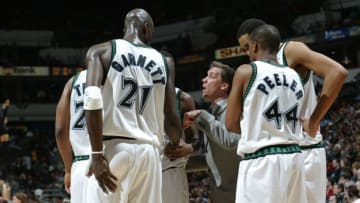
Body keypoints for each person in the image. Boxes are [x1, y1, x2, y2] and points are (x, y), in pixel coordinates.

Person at [236, 18, 348, 203]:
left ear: (259, 39)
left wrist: (314, 120)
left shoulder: (289, 50)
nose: (247, 53)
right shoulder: (256, 69)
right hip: (278, 156)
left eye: (247, 46)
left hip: (304, 150)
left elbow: (337, 72)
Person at [84, 8, 183, 203]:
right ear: (146, 28)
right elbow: (172, 116)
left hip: (114, 147)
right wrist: (174, 142)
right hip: (150, 152)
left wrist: (96, 155)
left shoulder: (101, 51)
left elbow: (93, 97)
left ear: (125, 28)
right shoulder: (164, 61)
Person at [226, 24, 306, 203]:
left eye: (248, 48)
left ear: (254, 46)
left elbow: (230, 123)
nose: (248, 53)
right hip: (295, 156)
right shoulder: (294, 75)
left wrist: (259, 128)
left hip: (262, 159)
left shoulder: (247, 71)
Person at [180, 61, 241, 203]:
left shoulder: (233, 109)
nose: (204, 80)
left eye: (211, 76)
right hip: (222, 192)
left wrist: (201, 115)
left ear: (224, 86)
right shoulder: (213, 113)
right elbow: (213, 152)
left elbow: (230, 141)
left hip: (236, 193)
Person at [55, 70, 92, 202]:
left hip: (79, 164)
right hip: (107, 159)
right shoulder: (115, 74)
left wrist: (68, 170)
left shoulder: (73, 81)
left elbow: (60, 131)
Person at [162, 87, 197, 203]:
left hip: (170, 169)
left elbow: (194, 139)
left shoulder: (183, 99)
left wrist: (187, 147)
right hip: (140, 166)